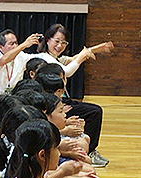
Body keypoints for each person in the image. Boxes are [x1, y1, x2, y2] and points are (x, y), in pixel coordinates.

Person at [37, 23, 114, 166]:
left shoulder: (55, 57)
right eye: (57, 41)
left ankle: (85, 148)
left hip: (62, 99)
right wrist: (83, 56)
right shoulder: (44, 58)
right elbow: (66, 71)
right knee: (94, 112)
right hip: (53, 102)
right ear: (47, 40)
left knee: (93, 112)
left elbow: (74, 58)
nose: (60, 46)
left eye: (64, 43)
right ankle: (88, 152)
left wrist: (96, 49)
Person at [35, 62, 109, 167]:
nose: (65, 83)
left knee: (86, 144)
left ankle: (87, 154)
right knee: (83, 149)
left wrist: (67, 122)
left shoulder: (51, 101)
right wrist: (66, 130)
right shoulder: (42, 108)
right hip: (52, 144)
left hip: (55, 140)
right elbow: (43, 132)